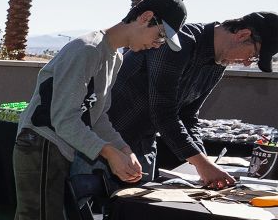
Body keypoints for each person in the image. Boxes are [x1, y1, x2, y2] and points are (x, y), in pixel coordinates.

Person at [6, 0, 186, 220]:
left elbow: (97, 116)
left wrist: (124, 149)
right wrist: (109, 153)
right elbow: (64, 119)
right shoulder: (87, 49)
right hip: (40, 145)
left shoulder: (115, 57)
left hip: (56, 148)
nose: (156, 44)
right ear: (145, 17)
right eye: (160, 36)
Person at [106, 11, 278, 189]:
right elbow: (162, 111)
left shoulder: (218, 63)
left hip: (143, 144)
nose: (247, 63)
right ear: (242, 35)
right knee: (88, 208)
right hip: (105, 140)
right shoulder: (177, 43)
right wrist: (202, 164)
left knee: (133, 210)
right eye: (253, 55)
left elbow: (189, 116)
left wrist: (205, 163)